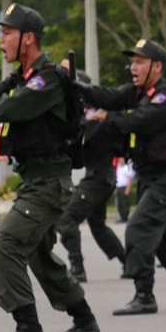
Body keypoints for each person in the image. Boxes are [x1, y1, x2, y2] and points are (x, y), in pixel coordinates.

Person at [0, 5, 102, 332]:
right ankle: (84, 321)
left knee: (5, 247)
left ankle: (28, 328)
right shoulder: (22, 77)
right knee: (38, 256)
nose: (1, 39)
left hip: (49, 183)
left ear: (28, 38)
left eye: (7, 33)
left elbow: (7, 108)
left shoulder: (46, 78)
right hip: (37, 180)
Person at [79, 38, 166, 316]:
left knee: (138, 228)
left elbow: (135, 122)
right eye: (132, 61)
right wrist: (78, 89)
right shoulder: (137, 92)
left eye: (139, 61)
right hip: (150, 177)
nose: (133, 67)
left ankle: (144, 294)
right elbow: (108, 96)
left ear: (157, 66)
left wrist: (104, 119)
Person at [58, 96, 127, 283]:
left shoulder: (96, 114)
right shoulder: (86, 114)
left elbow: (84, 134)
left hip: (98, 177)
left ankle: (77, 267)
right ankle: (127, 262)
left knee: (67, 218)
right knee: (97, 224)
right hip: (99, 176)